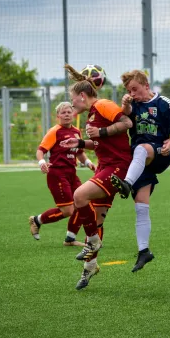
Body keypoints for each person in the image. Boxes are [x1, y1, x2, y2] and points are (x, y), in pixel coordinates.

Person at [59, 64, 133, 290]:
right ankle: (90, 267)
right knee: (97, 219)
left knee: (79, 196)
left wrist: (100, 132)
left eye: (72, 99)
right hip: (105, 166)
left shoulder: (103, 105)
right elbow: (100, 141)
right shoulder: (93, 113)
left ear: (82, 95)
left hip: (118, 167)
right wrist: (81, 143)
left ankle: (92, 242)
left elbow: (126, 123)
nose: (71, 104)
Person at [109, 70, 170, 272]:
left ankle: (127, 183)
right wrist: (125, 105)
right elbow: (125, 117)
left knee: (142, 148)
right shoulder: (133, 105)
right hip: (139, 161)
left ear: (146, 86)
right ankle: (144, 251)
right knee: (141, 206)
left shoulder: (164, 103)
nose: (132, 93)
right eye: (128, 90)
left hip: (160, 152)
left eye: (135, 89)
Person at [28, 102, 96, 247]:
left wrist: (89, 163)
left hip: (72, 173)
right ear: (58, 116)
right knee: (68, 210)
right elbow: (40, 150)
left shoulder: (77, 132)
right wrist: (42, 163)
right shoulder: (55, 131)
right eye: (63, 112)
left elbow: (80, 153)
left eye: (69, 112)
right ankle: (37, 220)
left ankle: (70, 239)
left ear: (73, 114)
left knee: (82, 202)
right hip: (57, 174)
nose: (66, 114)